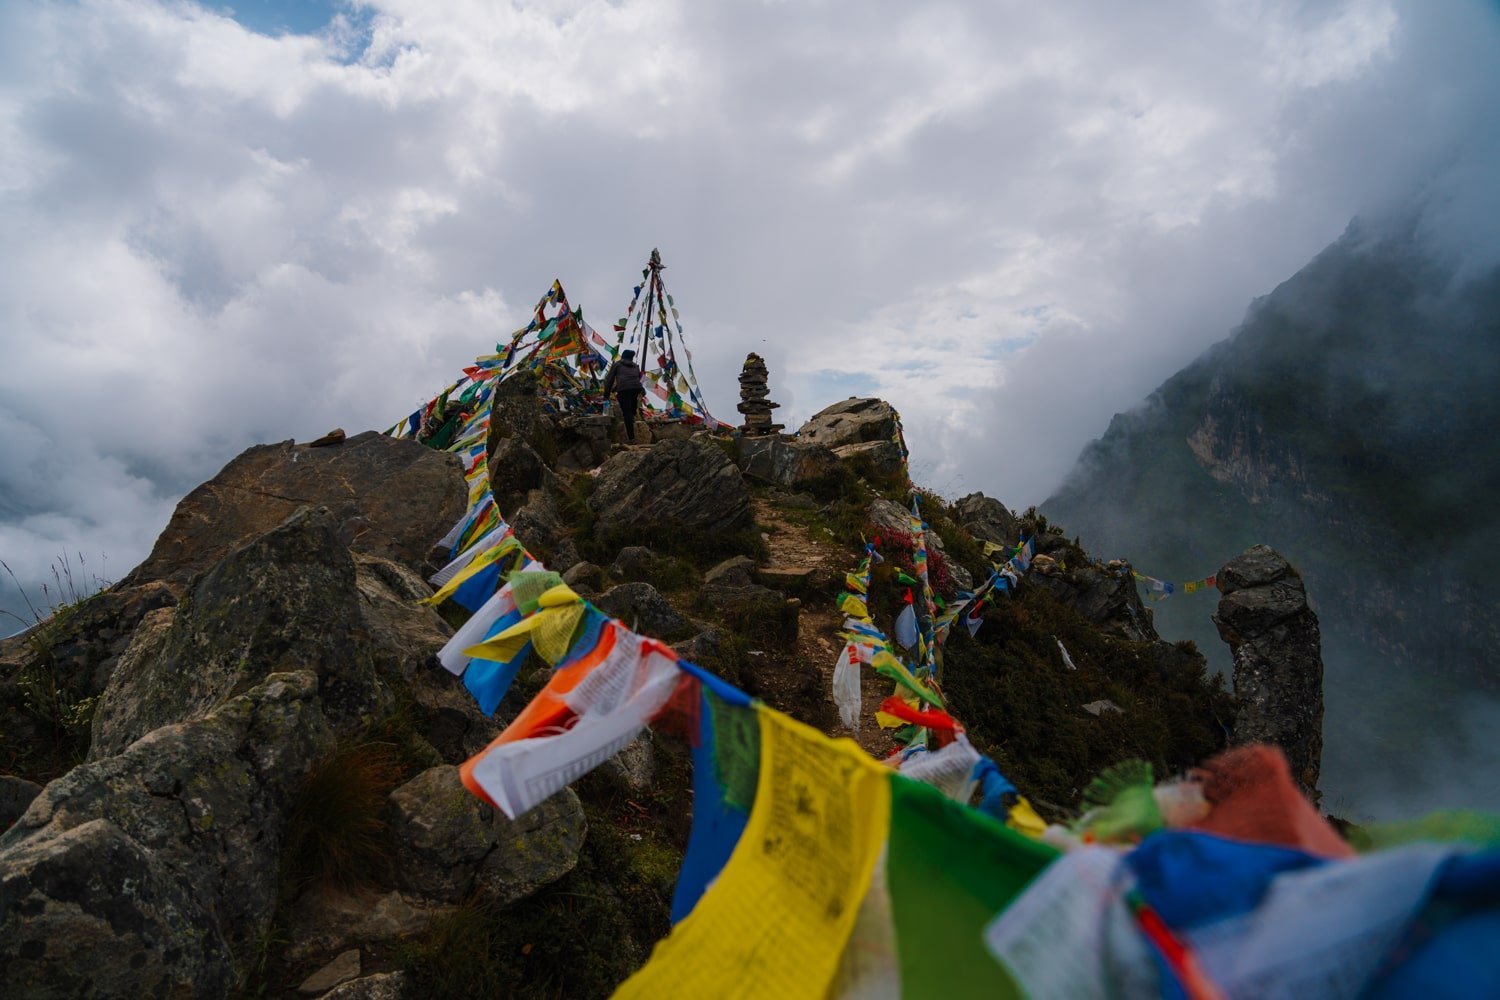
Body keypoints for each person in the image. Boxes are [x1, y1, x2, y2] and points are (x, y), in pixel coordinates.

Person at [603, 348, 644, 441]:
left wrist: (606, 395)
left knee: (627, 413)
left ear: (622, 357)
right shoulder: (635, 366)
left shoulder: (617, 364)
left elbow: (609, 380)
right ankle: (633, 417)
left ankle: (631, 438)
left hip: (624, 390)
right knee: (632, 409)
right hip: (636, 388)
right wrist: (615, 389)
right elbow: (632, 379)